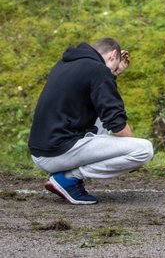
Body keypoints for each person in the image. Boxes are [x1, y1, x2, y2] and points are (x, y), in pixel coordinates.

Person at [28, 38, 154, 205]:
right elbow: (115, 121)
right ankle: (69, 178)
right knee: (144, 149)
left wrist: (113, 73)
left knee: (100, 112)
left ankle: (66, 176)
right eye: (115, 65)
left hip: (43, 150)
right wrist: (133, 152)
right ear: (113, 55)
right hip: (57, 152)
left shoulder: (67, 64)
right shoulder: (98, 70)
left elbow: (100, 100)